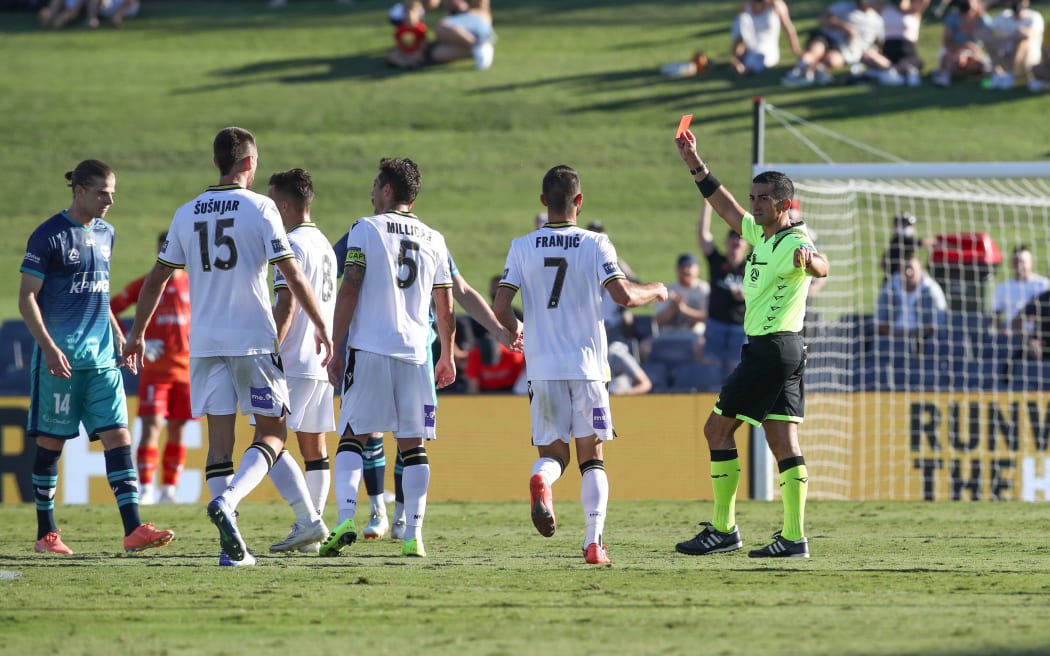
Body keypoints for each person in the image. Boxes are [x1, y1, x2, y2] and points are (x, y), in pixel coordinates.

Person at [123, 127, 333, 567]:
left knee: (219, 446)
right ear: (249, 163)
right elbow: (292, 277)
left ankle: (230, 548)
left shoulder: (186, 212)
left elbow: (156, 279)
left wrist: (137, 333)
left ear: (217, 161)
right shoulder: (262, 209)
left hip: (203, 346)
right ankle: (230, 502)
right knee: (272, 433)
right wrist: (322, 327)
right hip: (253, 342)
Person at [493, 164, 669, 566]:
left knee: (555, 455)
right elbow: (623, 296)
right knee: (592, 457)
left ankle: (543, 479)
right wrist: (656, 289)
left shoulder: (522, 245)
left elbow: (501, 306)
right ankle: (593, 543)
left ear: (543, 202)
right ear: (580, 201)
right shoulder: (595, 244)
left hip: (542, 367)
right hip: (587, 365)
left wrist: (517, 328)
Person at [673, 129, 829, 559]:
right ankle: (794, 538)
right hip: (786, 350)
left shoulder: (794, 239)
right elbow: (725, 206)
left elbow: (821, 264)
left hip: (772, 350)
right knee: (783, 442)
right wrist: (693, 161)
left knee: (716, 429)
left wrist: (810, 262)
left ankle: (723, 529)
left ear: (782, 205)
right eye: (754, 196)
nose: (754, 204)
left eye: (762, 198)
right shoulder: (762, 237)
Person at [20, 159, 175, 555]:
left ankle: (134, 528)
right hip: (62, 361)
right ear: (80, 191)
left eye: (113, 193)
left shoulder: (107, 233)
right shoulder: (48, 236)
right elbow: (27, 299)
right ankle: (46, 533)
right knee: (52, 444)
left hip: (103, 359)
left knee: (118, 436)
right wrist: (50, 348)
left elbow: (100, 295)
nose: (110, 200)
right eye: (103, 192)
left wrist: (123, 337)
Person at [321, 157, 457, 559]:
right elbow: (446, 307)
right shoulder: (435, 238)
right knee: (413, 445)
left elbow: (350, 288)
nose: (370, 194)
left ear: (386, 191)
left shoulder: (365, 229)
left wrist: (335, 345)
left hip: (372, 348)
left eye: (374, 186)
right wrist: (446, 354)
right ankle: (414, 534)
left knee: (352, 436)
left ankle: (346, 517)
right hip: (417, 353)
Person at [264, 168, 337, 555]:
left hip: (292, 359)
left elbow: (286, 303)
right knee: (314, 447)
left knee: (269, 440)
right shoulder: (324, 243)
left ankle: (307, 521)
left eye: (272, 202)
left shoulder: (289, 242)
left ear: (286, 204)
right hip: (320, 359)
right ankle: (312, 528)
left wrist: (270, 349)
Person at [110, 231, 192, 506]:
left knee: (179, 428)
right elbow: (110, 308)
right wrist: (131, 336)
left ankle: (169, 489)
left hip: (187, 370)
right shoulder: (147, 283)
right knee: (152, 426)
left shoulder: (196, 285)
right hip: (155, 370)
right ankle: (145, 488)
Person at [698, 200, 748, 383]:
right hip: (716, 324)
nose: (736, 241)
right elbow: (704, 237)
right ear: (727, 242)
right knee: (711, 368)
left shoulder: (752, 266)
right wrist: (707, 206)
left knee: (736, 369)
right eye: (732, 237)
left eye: (740, 238)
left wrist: (745, 295)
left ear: (746, 244)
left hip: (740, 327)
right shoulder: (718, 262)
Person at [781, 0, 885, 87]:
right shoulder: (844, 6)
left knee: (833, 61)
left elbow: (879, 43)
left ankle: (813, 71)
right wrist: (843, 26)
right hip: (827, 38)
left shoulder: (877, 20)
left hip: (845, 49)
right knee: (817, 49)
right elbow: (823, 20)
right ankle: (799, 72)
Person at [875, 253, 948, 339]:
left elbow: (939, 323)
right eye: (905, 268)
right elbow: (880, 320)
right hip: (893, 338)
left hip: (923, 339)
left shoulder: (931, 289)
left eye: (911, 269)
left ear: (920, 269)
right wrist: (896, 334)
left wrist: (914, 335)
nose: (908, 272)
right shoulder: (890, 287)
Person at [653, 252, 710, 351]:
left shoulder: (703, 289)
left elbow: (709, 319)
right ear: (677, 269)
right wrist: (672, 308)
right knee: (645, 349)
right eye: (682, 267)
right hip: (668, 335)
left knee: (703, 347)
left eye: (689, 267)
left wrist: (684, 309)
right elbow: (656, 322)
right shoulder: (668, 289)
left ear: (697, 269)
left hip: (694, 335)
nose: (685, 270)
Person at [982, 0, 1045, 90]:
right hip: (1006, 55)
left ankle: (1013, 76)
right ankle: (998, 74)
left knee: (1022, 42)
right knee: (991, 41)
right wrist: (1005, 36)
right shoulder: (1003, 17)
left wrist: (1007, 36)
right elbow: (986, 32)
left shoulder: (1034, 17)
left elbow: (1028, 33)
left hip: (1028, 59)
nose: (1016, 3)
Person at [729, 0, 803, 76]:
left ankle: (746, 71)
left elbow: (788, 28)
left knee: (758, 57)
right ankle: (738, 60)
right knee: (741, 19)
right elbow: (741, 33)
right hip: (749, 47)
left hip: (767, 50)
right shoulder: (746, 5)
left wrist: (796, 50)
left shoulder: (776, 5)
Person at [932, 0, 993, 87]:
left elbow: (991, 39)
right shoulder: (952, 18)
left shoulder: (982, 19)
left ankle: (949, 72)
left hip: (973, 53)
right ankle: (945, 74)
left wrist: (976, 52)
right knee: (958, 60)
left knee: (981, 65)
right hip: (952, 51)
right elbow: (946, 43)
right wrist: (963, 47)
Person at [992, 244, 1049, 334]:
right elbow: (994, 314)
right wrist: (1002, 330)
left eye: (1022, 261)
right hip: (1011, 335)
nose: (1019, 265)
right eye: (1016, 261)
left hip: (1037, 335)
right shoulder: (1004, 287)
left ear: (1031, 262)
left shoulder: (1043, 285)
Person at [872, 0, 930, 86]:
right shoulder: (886, 7)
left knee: (917, 62)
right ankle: (899, 71)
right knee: (870, 56)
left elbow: (924, 2)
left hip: (907, 51)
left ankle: (895, 71)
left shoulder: (915, 11)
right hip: (888, 50)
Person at [424, 0, 495, 71]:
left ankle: (479, 45)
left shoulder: (477, 12)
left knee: (441, 28)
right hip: (466, 38)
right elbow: (431, 4)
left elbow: (481, 5)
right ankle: (480, 48)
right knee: (437, 53)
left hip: (479, 27)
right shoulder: (450, 15)